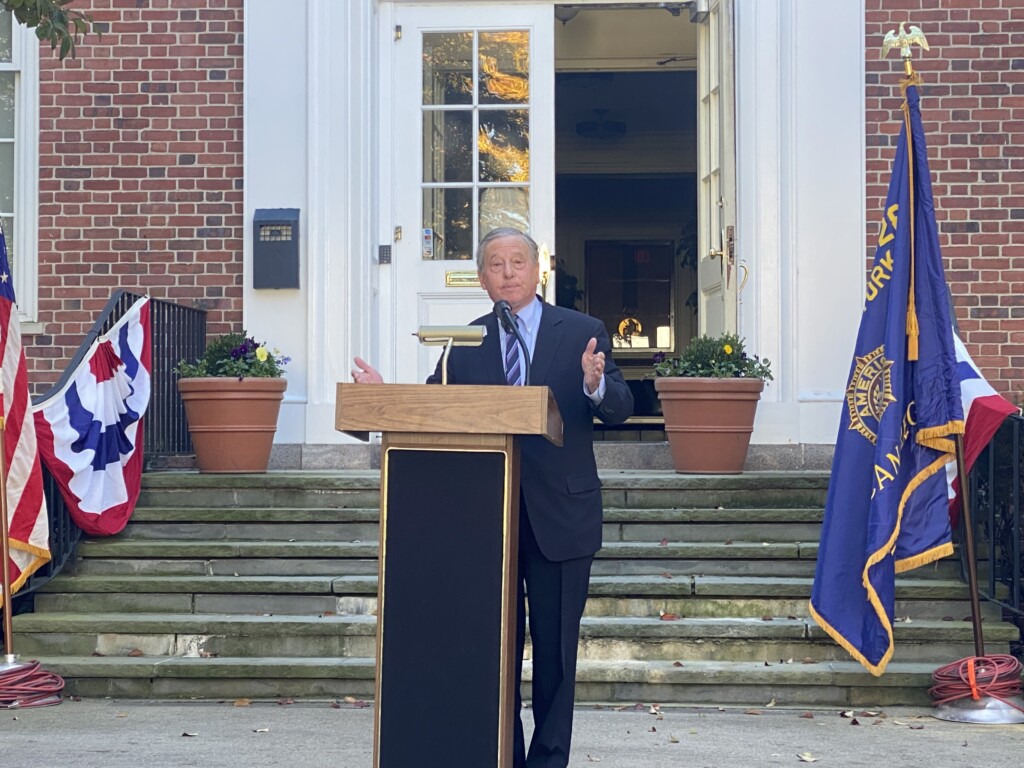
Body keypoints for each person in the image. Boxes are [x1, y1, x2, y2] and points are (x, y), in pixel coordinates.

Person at [352, 227, 633, 768]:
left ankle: (549, 761)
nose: (508, 273)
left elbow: (618, 406)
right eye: (496, 265)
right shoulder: (464, 343)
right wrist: (384, 395)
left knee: (554, 656)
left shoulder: (581, 331)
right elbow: (433, 416)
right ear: (481, 280)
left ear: (536, 272)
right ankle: (501, 754)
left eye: (518, 262)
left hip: (560, 516)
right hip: (483, 522)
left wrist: (595, 384)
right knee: (491, 653)